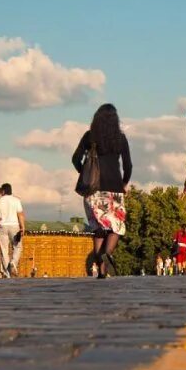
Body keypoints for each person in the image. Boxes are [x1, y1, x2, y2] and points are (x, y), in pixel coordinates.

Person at [71, 103, 133, 279]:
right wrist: (124, 182)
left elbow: (75, 159)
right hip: (114, 189)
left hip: (93, 190)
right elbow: (128, 166)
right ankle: (106, 255)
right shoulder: (120, 138)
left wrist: (84, 174)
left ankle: (100, 266)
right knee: (116, 227)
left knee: (98, 228)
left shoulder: (89, 137)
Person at [0, 183, 26, 278]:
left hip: (2, 227)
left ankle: (7, 273)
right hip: (14, 226)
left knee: (4, 250)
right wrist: (23, 227)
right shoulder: (16, 200)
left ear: (3, 191)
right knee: (17, 247)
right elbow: (20, 214)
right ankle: (13, 263)